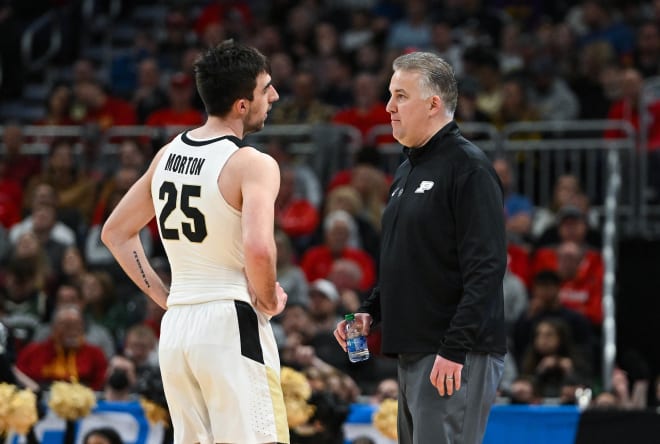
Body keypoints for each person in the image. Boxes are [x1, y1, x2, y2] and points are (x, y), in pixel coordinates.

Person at [101, 40, 289, 444]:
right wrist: (269, 297)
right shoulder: (252, 164)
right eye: (265, 88)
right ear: (242, 104)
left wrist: (166, 297)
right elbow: (259, 248)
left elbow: (115, 233)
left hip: (177, 329)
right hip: (229, 320)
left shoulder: (168, 154)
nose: (273, 96)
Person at [334, 51, 507, 444]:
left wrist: (455, 349)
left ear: (433, 104)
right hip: (415, 350)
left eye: (400, 96)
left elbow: (487, 268)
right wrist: (369, 312)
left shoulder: (469, 168)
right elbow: (406, 262)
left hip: (452, 352)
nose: (388, 106)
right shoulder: (407, 168)